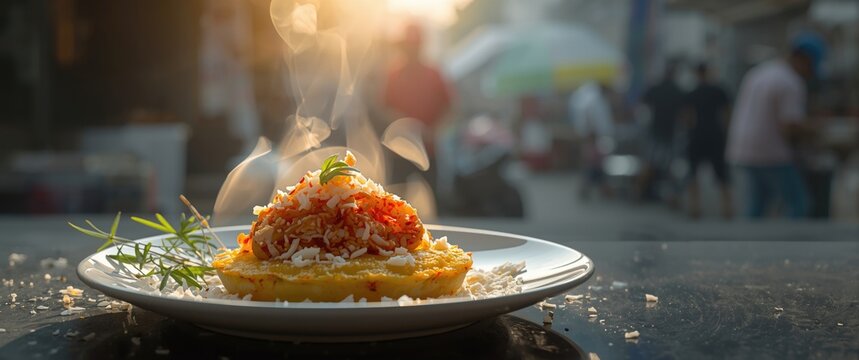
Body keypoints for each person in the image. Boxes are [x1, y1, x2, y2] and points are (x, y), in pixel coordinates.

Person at [725, 34, 825, 218]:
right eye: (810, 67)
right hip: (770, 152)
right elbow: (789, 126)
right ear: (803, 59)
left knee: (757, 205)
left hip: (743, 148)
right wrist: (817, 129)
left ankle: (748, 245)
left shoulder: (761, 72)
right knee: (798, 203)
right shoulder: (790, 82)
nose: (809, 74)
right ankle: (792, 245)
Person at [382, 23, 452, 185]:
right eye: (407, 46)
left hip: (428, 148)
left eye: (414, 46)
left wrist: (435, 129)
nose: (410, 50)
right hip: (400, 148)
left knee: (432, 195)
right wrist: (398, 122)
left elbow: (450, 106)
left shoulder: (433, 74)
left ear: (421, 46)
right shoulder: (394, 74)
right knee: (395, 197)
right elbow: (384, 107)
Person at [684, 63, 732, 219]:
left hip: (697, 135)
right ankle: (727, 208)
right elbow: (726, 115)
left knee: (693, 172)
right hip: (715, 134)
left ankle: (695, 207)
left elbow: (688, 117)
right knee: (722, 174)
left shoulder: (692, 93)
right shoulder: (719, 91)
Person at [640, 61, 685, 204]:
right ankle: (673, 197)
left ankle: (638, 192)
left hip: (655, 131)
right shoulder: (678, 91)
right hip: (670, 133)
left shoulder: (655, 89)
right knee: (671, 167)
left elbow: (643, 105)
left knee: (650, 164)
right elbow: (683, 115)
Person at [569, 81, 615, 199]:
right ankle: (597, 189)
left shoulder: (591, 98)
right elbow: (593, 120)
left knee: (595, 165)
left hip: (594, 137)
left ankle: (599, 189)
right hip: (593, 138)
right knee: (593, 165)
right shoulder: (593, 99)